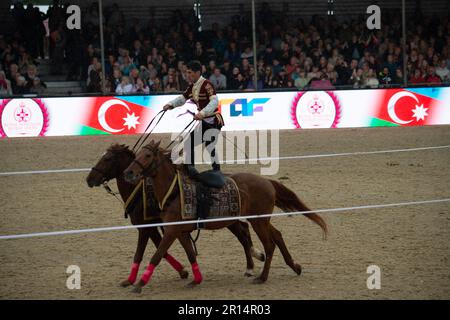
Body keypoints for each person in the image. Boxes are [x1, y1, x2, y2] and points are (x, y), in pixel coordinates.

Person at [163, 60, 224, 176]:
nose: (187, 75)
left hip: (213, 121)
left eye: (190, 72)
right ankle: (205, 169)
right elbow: (182, 98)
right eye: (187, 72)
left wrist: (202, 113)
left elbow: (215, 101)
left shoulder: (207, 85)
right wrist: (170, 104)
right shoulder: (192, 87)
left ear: (197, 72)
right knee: (200, 143)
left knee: (200, 143)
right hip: (205, 122)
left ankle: (199, 169)